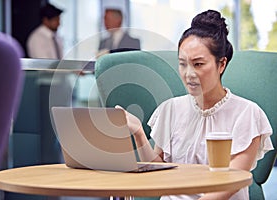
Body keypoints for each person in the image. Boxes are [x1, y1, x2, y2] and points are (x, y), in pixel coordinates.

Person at [116, 10, 274, 200]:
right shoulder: (170, 109)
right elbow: (156, 173)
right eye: (183, 64)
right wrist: (139, 134)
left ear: (221, 64)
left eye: (198, 64)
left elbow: (227, 187)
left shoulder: (247, 114)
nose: (188, 74)